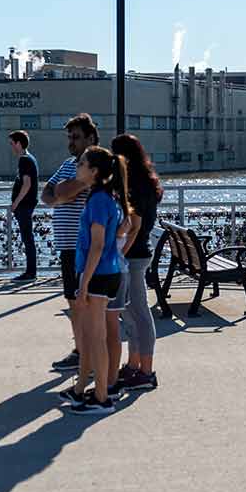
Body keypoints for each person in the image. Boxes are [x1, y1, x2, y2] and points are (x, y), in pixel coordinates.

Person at [61, 145, 131, 415]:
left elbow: (98, 245)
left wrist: (84, 283)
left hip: (99, 274)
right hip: (101, 272)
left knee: (97, 337)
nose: (77, 168)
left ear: (94, 171)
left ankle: (102, 397)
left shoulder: (100, 200)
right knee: (92, 336)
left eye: (81, 165)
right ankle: (87, 389)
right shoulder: (101, 197)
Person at [41, 114, 99, 371]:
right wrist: (64, 192)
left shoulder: (95, 166)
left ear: (91, 138)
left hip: (84, 247)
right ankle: (80, 350)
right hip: (66, 246)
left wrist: (63, 192)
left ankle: (91, 355)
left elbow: (62, 192)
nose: (71, 142)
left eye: (76, 137)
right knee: (72, 300)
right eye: (69, 137)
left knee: (86, 302)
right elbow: (46, 194)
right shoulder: (68, 163)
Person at [112, 133, 163, 391]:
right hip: (138, 253)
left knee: (139, 313)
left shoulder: (135, 186)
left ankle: (146, 371)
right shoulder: (143, 182)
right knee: (131, 314)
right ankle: (134, 366)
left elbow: (135, 226)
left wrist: (118, 255)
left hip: (134, 256)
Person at [8, 130, 39, 281]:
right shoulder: (30, 158)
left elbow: (27, 184)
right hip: (27, 204)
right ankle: (31, 271)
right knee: (28, 239)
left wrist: (15, 203)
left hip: (24, 206)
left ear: (19, 143)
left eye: (12, 143)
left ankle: (30, 273)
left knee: (28, 239)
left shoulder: (24, 160)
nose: (11, 147)